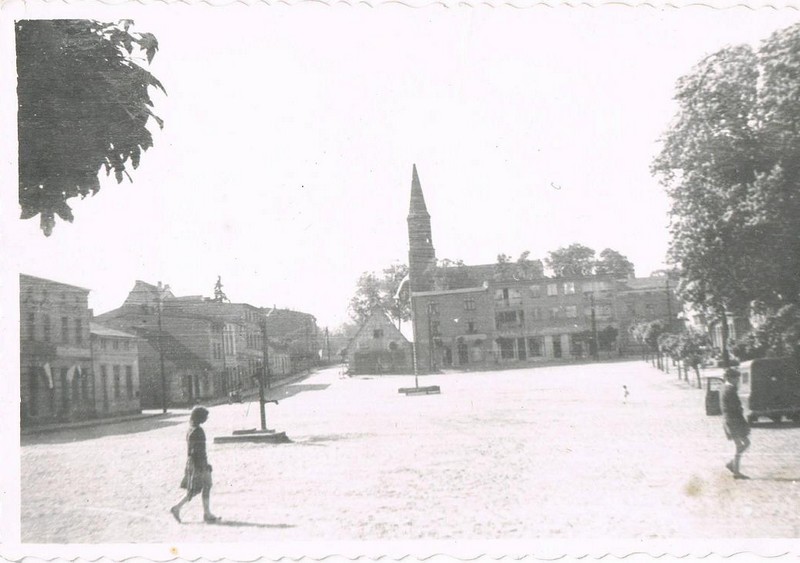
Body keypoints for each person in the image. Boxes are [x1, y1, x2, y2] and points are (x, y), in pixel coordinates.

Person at [170, 406, 220, 523]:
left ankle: (205, 512)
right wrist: (204, 465)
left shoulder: (191, 429)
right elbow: (199, 451)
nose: (207, 418)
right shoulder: (199, 431)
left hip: (192, 462)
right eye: (205, 416)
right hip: (199, 463)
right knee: (202, 487)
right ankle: (179, 508)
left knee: (198, 488)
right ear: (200, 417)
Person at [721, 368, 751, 479]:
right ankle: (736, 471)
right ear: (730, 378)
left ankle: (733, 465)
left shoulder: (724, 388)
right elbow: (735, 407)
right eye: (736, 378)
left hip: (730, 420)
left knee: (744, 443)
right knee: (742, 444)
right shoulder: (730, 390)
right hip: (733, 420)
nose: (737, 381)